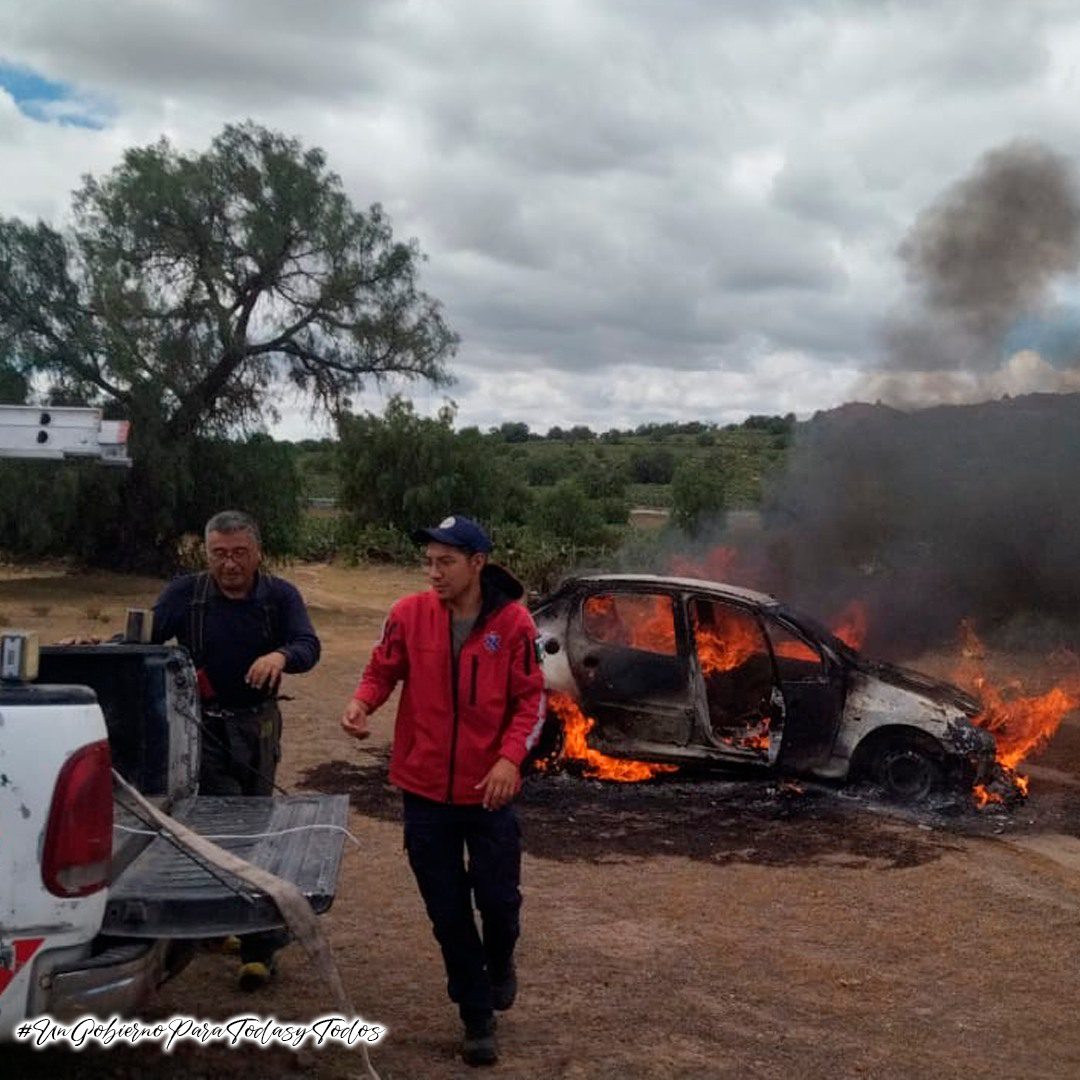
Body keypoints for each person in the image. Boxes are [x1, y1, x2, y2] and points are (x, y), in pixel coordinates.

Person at [341, 515, 545, 1068]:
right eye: (428, 562)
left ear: (477, 563)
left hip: (489, 792)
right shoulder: (408, 615)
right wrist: (363, 702)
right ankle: (476, 1016)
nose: (433, 572)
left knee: (498, 901)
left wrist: (508, 760)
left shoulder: (515, 624)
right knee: (448, 911)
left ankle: (500, 961)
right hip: (424, 788)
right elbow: (383, 669)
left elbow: (532, 701)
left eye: (445, 562)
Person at [152, 509, 321, 990]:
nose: (229, 564)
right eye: (219, 554)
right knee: (215, 830)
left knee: (258, 829)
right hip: (199, 730)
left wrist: (281, 655)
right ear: (206, 554)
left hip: (258, 729)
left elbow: (308, 645)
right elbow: (139, 639)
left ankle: (258, 942)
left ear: (258, 553)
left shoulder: (279, 596)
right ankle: (234, 936)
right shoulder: (185, 594)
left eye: (239, 553)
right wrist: (97, 648)